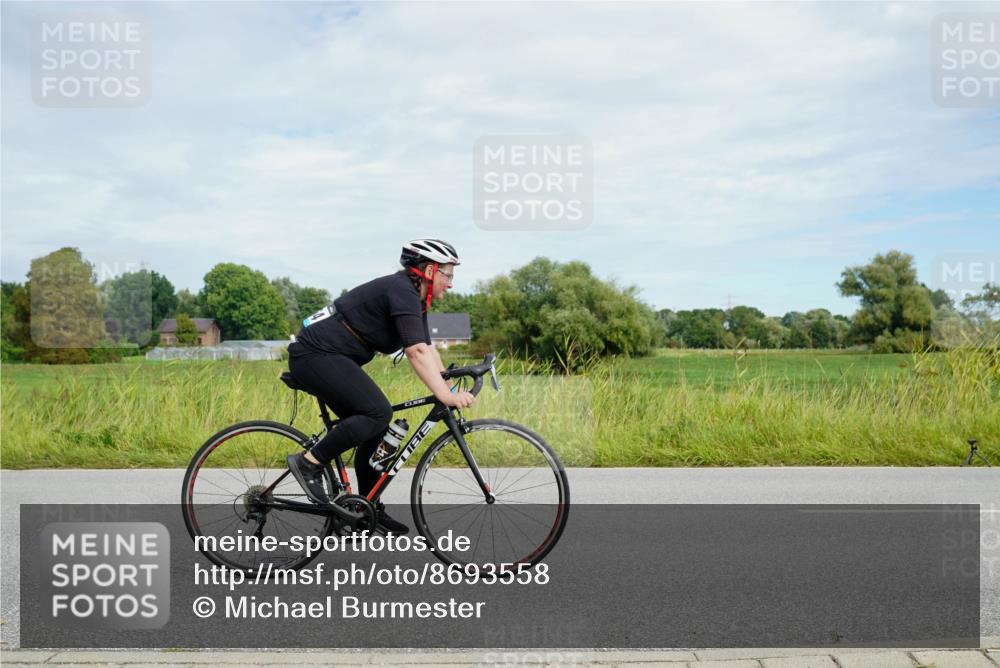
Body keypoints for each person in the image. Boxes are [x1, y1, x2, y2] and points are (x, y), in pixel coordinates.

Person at [284, 239, 475, 533]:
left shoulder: (414, 298)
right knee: (377, 413)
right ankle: (308, 463)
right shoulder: (401, 291)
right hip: (316, 355)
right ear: (428, 270)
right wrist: (446, 395)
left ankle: (363, 507)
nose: (450, 283)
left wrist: (449, 379)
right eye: (447, 274)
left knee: (376, 425)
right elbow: (416, 353)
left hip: (332, 357)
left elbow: (426, 346)